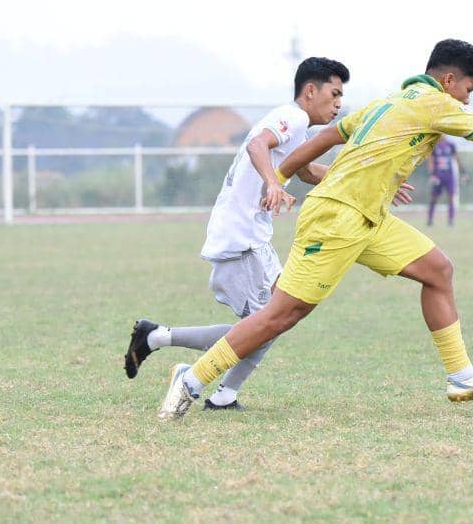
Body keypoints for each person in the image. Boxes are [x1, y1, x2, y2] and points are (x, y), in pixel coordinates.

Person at [158, 39, 473, 420]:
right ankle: (192, 380)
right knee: (281, 315)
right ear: (450, 80)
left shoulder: (389, 102)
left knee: (438, 271)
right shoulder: (435, 104)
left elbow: (324, 139)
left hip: (369, 217)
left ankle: (461, 375)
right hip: (338, 218)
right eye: (469, 89)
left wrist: (282, 176)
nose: (468, 100)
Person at [123, 57, 350, 412]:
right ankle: (175, 354)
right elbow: (257, 145)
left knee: (279, 317)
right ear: (310, 91)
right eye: (334, 93)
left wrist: (360, 181)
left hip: (253, 238)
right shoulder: (293, 116)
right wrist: (273, 184)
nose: (339, 103)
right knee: (265, 325)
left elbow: (305, 171)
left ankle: (212, 384)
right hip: (241, 239)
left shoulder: (296, 126)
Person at [426, 137, 466, 226]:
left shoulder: (450, 145)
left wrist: (463, 172)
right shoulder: (434, 144)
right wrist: (432, 174)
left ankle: (451, 220)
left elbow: (457, 158)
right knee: (434, 198)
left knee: (451, 197)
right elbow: (431, 160)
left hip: (449, 176)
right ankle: (430, 219)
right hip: (438, 176)